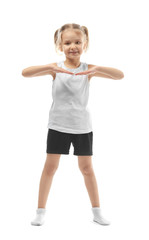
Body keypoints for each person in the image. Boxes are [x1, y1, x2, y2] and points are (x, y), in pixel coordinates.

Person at [22, 23, 124, 226]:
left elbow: (119, 75)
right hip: (58, 126)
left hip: (82, 127)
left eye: (77, 42)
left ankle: (97, 212)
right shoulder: (55, 69)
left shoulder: (89, 70)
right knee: (50, 168)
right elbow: (25, 72)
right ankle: (40, 211)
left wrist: (98, 69)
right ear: (60, 45)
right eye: (67, 42)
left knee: (87, 169)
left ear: (85, 44)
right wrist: (49, 67)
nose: (73, 46)